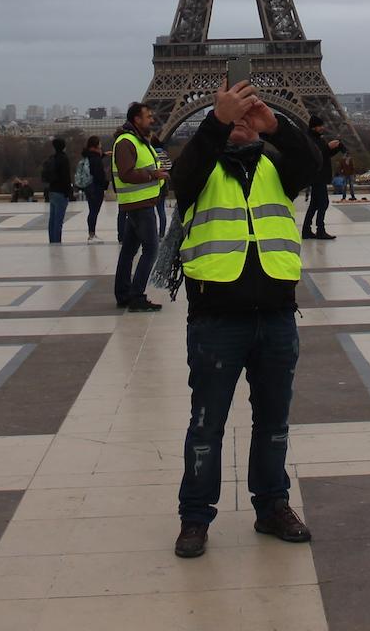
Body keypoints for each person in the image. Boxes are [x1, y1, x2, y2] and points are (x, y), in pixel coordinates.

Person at [166, 80, 317, 560]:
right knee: (206, 425)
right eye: (232, 121)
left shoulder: (279, 170)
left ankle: (272, 505)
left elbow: (315, 164)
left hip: (275, 317)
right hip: (217, 320)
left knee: (274, 423)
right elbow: (181, 174)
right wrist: (214, 119)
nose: (239, 127)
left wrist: (278, 125)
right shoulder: (200, 173)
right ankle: (195, 517)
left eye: (245, 121)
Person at [112, 105, 165, 311]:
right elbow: (126, 174)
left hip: (141, 202)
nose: (152, 119)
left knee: (129, 251)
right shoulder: (127, 142)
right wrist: (153, 175)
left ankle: (124, 293)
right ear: (136, 119)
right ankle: (136, 296)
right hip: (139, 204)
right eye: (148, 116)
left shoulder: (139, 140)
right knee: (151, 249)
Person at [300, 116, 340, 240]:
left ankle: (306, 230)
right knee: (323, 203)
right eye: (320, 125)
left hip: (318, 175)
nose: (323, 128)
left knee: (315, 204)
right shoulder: (311, 139)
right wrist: (328, 147)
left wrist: (335, 148)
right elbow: (315, 153)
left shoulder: (316, 138)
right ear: (314, 126)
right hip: (318, 176)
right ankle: (320, 230)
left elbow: (325, 154)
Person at [78, 136, 108, 241]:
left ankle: (91, 233)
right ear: (96, 145)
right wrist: (105, 185)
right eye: (99, 144)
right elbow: (99, 174)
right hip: (96, 187)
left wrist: (103, 155)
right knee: (94, 211)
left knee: (92, 210)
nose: (101, 146)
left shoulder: (88, 156)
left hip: (89, 186)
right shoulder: (96, 159)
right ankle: (92, 234)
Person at [41, 137, 70, 244]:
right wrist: (69, 192)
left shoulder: (52, 158)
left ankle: (52, 240)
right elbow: (66, 177)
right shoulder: (64, 159)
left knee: (52, 219)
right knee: (59, 220)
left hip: (52, 190)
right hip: (61, 191)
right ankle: (57, 241)